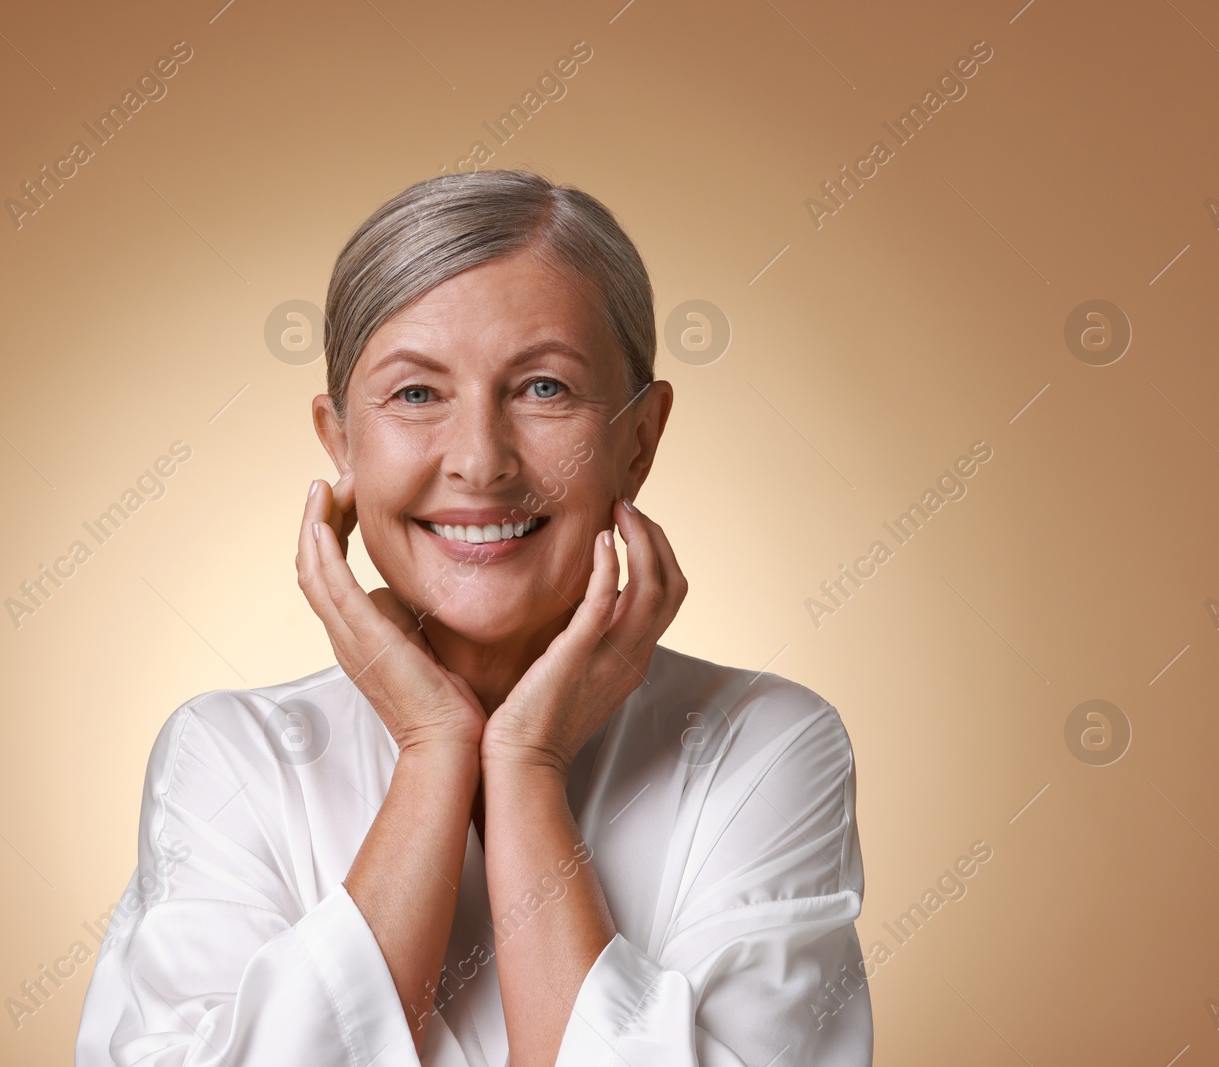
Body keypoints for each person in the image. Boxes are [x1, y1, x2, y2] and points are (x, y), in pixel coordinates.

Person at [74, 168, 872, 1066]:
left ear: (639, 441)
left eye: (542, 389)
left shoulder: (764, 746)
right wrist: (432, 745)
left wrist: (527, 766)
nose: (481, 461)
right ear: (340, 443)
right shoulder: (229, 756)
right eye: (416, 394)